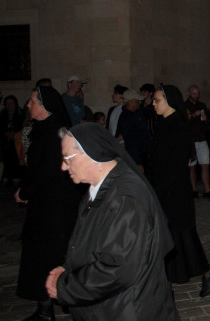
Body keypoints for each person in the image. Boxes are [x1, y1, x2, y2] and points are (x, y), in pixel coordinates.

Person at [46, 123, 179, 320]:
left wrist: (65, 286)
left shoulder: (125, 199)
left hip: (128, 309)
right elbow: (88, 242)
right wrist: (69, 268)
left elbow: (118, 269)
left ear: (91, 154)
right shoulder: (99, 187)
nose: (63, 166)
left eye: (67, 158)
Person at [14, 86, 82, 321]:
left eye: (32, 101)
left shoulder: (56, 131)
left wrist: (26, 191)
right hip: (44, 206)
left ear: (45, 107)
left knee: (53, 256)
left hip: (56, 208)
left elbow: (47, 169)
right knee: (41, 258)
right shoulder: (42, 129)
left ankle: (59, 308)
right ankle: (44, 309)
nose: (28, 105)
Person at [149, 84, 210, 297]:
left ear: (169, 101)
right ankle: (170, 282)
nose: (153, 104)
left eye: (157, 100)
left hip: (174, 191)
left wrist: (158, 190)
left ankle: (206, 272)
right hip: (164, 189)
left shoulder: (179, 126)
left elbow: (175, 164)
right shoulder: (163, 123)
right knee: (173, 237)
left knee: (183, 236)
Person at [185, 85, 210, 199]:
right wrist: (194, 115)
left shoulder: (202, 105)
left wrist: (204, 117)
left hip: (202, 139)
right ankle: (193, 190)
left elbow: (207, 123)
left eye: (197, 94)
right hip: (191, 140)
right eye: (194, 94)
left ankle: (207, 190)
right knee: (191, 166)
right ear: (189, 94)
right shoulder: (184, 105)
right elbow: (184, 121)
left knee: (205, 164)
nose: (196, 96)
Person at [116, 89, 151, 173]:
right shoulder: (127, 118)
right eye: (138, 100)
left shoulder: (137, 113)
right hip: (137, 157)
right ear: (132, 101)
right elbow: (130, 142)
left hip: (143, 154)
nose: (140, 102)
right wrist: (137, 162)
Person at [1, 95, 25, 187]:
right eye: (7, 104)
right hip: (6, 142)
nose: (9, 105)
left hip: (18, 141)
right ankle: (9, 179)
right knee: (7, 160)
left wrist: (16, 134)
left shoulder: (21, 113)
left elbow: (24, 126)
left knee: (19, 159)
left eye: (11, 103)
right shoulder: (2, 115)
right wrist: (5, 133)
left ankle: (21, 180)